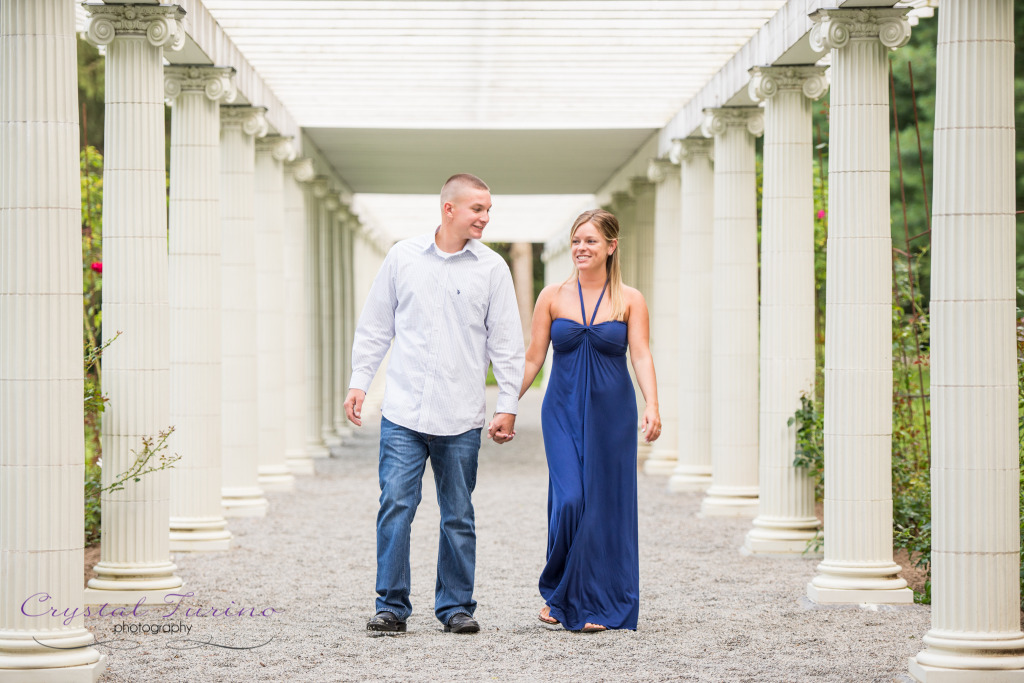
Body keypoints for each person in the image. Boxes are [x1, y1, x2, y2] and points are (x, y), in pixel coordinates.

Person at [344, 173, 525, 635]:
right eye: (477, 209)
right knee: (396, 508)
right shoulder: (402, 257)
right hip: (404, 412)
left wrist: (507, 404)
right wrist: (359, 381)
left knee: (458, 515)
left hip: (461, 414)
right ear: (449, 209)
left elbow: (507, 343)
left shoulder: (493, 269)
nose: (485, 217)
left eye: (488, 210)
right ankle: (391, 606)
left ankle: (456, 607)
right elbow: (375, 326)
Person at [519, 208, 660, 632]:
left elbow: (640, 354)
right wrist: (505, 406)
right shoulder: (552, 296)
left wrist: (653, 404)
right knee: (571, 499)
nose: (581, 248)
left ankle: (596, 603)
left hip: (612, 415)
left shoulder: (630, 299)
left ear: (611, 247)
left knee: (604, 508)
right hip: (560, 411)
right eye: (577, 241)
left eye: (590, 241)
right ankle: (559, 588)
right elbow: (533, 357)